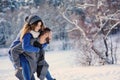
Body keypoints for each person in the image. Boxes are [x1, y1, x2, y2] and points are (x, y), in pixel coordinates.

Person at [9, 15, 55, 80]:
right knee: (26, 65)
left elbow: (43, 41)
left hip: (28, 51)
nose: (39, 27)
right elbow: (24, 47)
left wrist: (44, 44)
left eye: (40, 25)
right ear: (32, 24)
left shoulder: (38, 31)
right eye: (37, 25)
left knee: (41, 64)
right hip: (18, 53)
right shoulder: (27, 34)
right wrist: (37, 49)